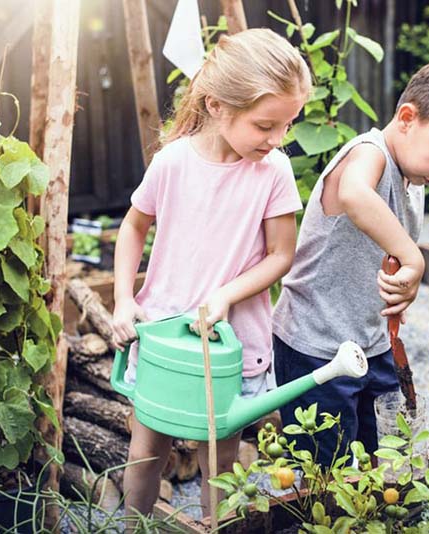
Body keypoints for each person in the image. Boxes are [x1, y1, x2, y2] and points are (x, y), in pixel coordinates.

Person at [110, 28, 311, 519]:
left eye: (287, 125)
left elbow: (281, 255)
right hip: (161, 335)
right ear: (219, 106)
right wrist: (121, 298)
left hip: (232, 342)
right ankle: (134, 527)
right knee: (143, 458)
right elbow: (133, 227)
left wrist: (226, 294)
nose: (278, 139)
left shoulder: (274, 171)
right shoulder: (173, 162)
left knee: (219, 468)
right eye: (266, 125)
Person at [272, 49, 429, 465]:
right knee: (326, 472)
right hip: (317, 346)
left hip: (371, 343)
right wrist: (413, 258)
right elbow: (355, 195)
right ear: (406, 118)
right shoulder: (370, 153)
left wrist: (396, 293)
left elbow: (379, 258)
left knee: (382, 456)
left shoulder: (413, 179)